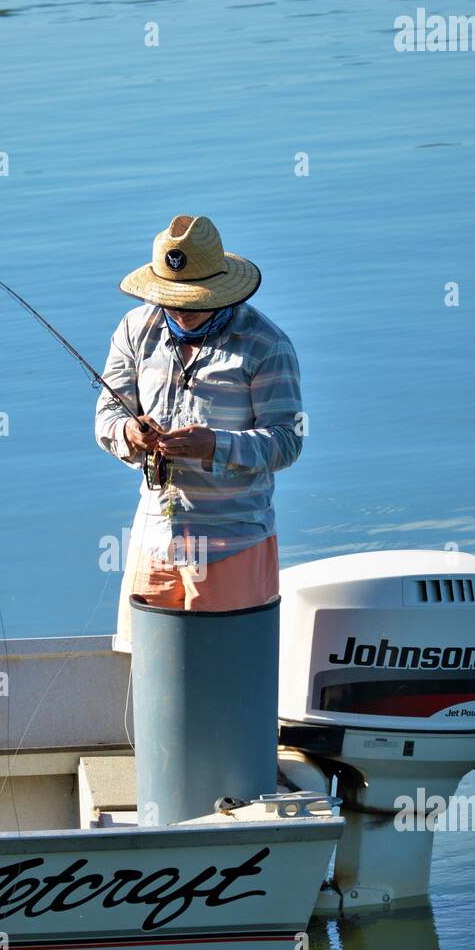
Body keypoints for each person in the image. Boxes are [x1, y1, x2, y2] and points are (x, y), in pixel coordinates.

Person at [95, 214, 303, 650]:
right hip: (154, 539)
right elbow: (107, 417)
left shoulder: (267, 345)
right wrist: (131, 433)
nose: (180, 312)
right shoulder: (135, 330)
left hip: (233, 545)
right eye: (171, 300)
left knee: (226, 674)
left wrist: (216, 446)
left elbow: (287, 441)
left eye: (192, 301)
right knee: (150, 675)